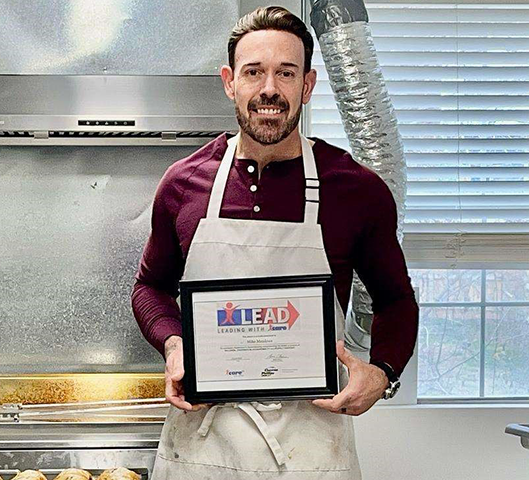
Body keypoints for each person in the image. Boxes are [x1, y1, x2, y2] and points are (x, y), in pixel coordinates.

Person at [132, 6, 418, 479]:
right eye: (254, 72)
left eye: (285, 73)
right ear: (230, 82)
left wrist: (382, 374)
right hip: (203, 449)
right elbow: (149, 287)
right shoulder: (183, 183)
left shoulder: (356, 189)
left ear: (306, 85)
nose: (269, 89)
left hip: (312, 452)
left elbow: (396, 299)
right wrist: (174, 344)